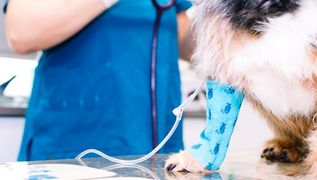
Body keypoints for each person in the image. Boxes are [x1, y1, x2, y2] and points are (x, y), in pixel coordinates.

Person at [3, 0, 193, 161]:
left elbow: (183, 37)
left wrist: (218, 13)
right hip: (77, 144)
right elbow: (21, 32)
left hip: (157, 139)